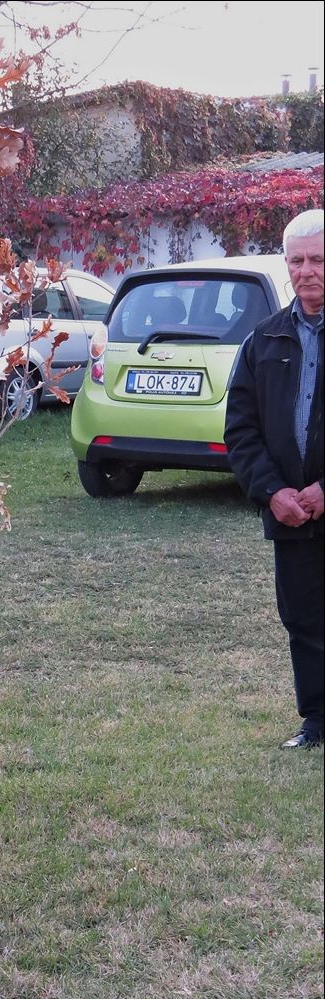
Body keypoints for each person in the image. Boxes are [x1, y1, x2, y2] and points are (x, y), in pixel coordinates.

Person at [225, 208, 324, 749]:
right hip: (292, 514)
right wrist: (271, 491)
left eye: (318, 260)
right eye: (297, 261)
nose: (307, 271)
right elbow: (240, 430)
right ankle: (317, 721)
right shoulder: (262, 341)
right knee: (303, 617)